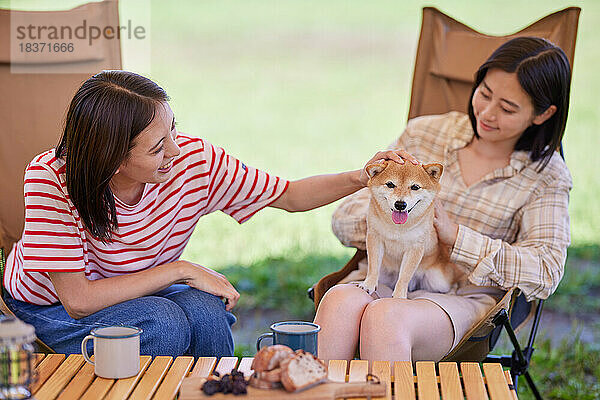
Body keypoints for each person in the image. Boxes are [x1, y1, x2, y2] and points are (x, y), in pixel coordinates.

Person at [2, 70, 411, 357]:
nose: (176, 153)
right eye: (157, 148)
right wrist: (179, 269)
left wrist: (362, 177)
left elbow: (289, 195)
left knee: (204, 311)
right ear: (112, 160)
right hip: (50, 310)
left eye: (173, 131)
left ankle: (217, 391)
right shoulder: (52, 176)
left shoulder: (194, 161)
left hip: (142, 293)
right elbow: (78, 300)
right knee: (164, 322)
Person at [314, 37, 572, 363]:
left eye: (507, 108)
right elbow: (344, 217)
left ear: (542, 114)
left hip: (462, 292)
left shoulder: (546, 177)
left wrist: (456, 238)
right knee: (339, 304)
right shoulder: (426, 134)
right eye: (484, 94)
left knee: (386, 318)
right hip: (386, 271)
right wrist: (394, 217)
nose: (488, 114)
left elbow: (547, 271)